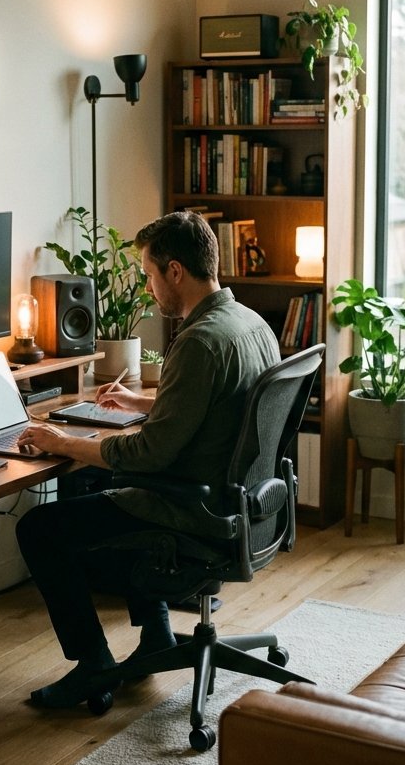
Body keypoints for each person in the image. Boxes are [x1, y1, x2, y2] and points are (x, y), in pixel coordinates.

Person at [16, 210, 280, 709]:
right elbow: (222, 409)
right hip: (245, 504)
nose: (149, 289)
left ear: (175, 271)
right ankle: (157, 636)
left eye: (149, 276)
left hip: (194, 509)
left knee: (40, 528)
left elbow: (150, 452)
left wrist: (62, 442)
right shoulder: (249, 324)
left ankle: (94, 664)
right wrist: (144, 403)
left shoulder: (199, 341)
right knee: (111, 492)